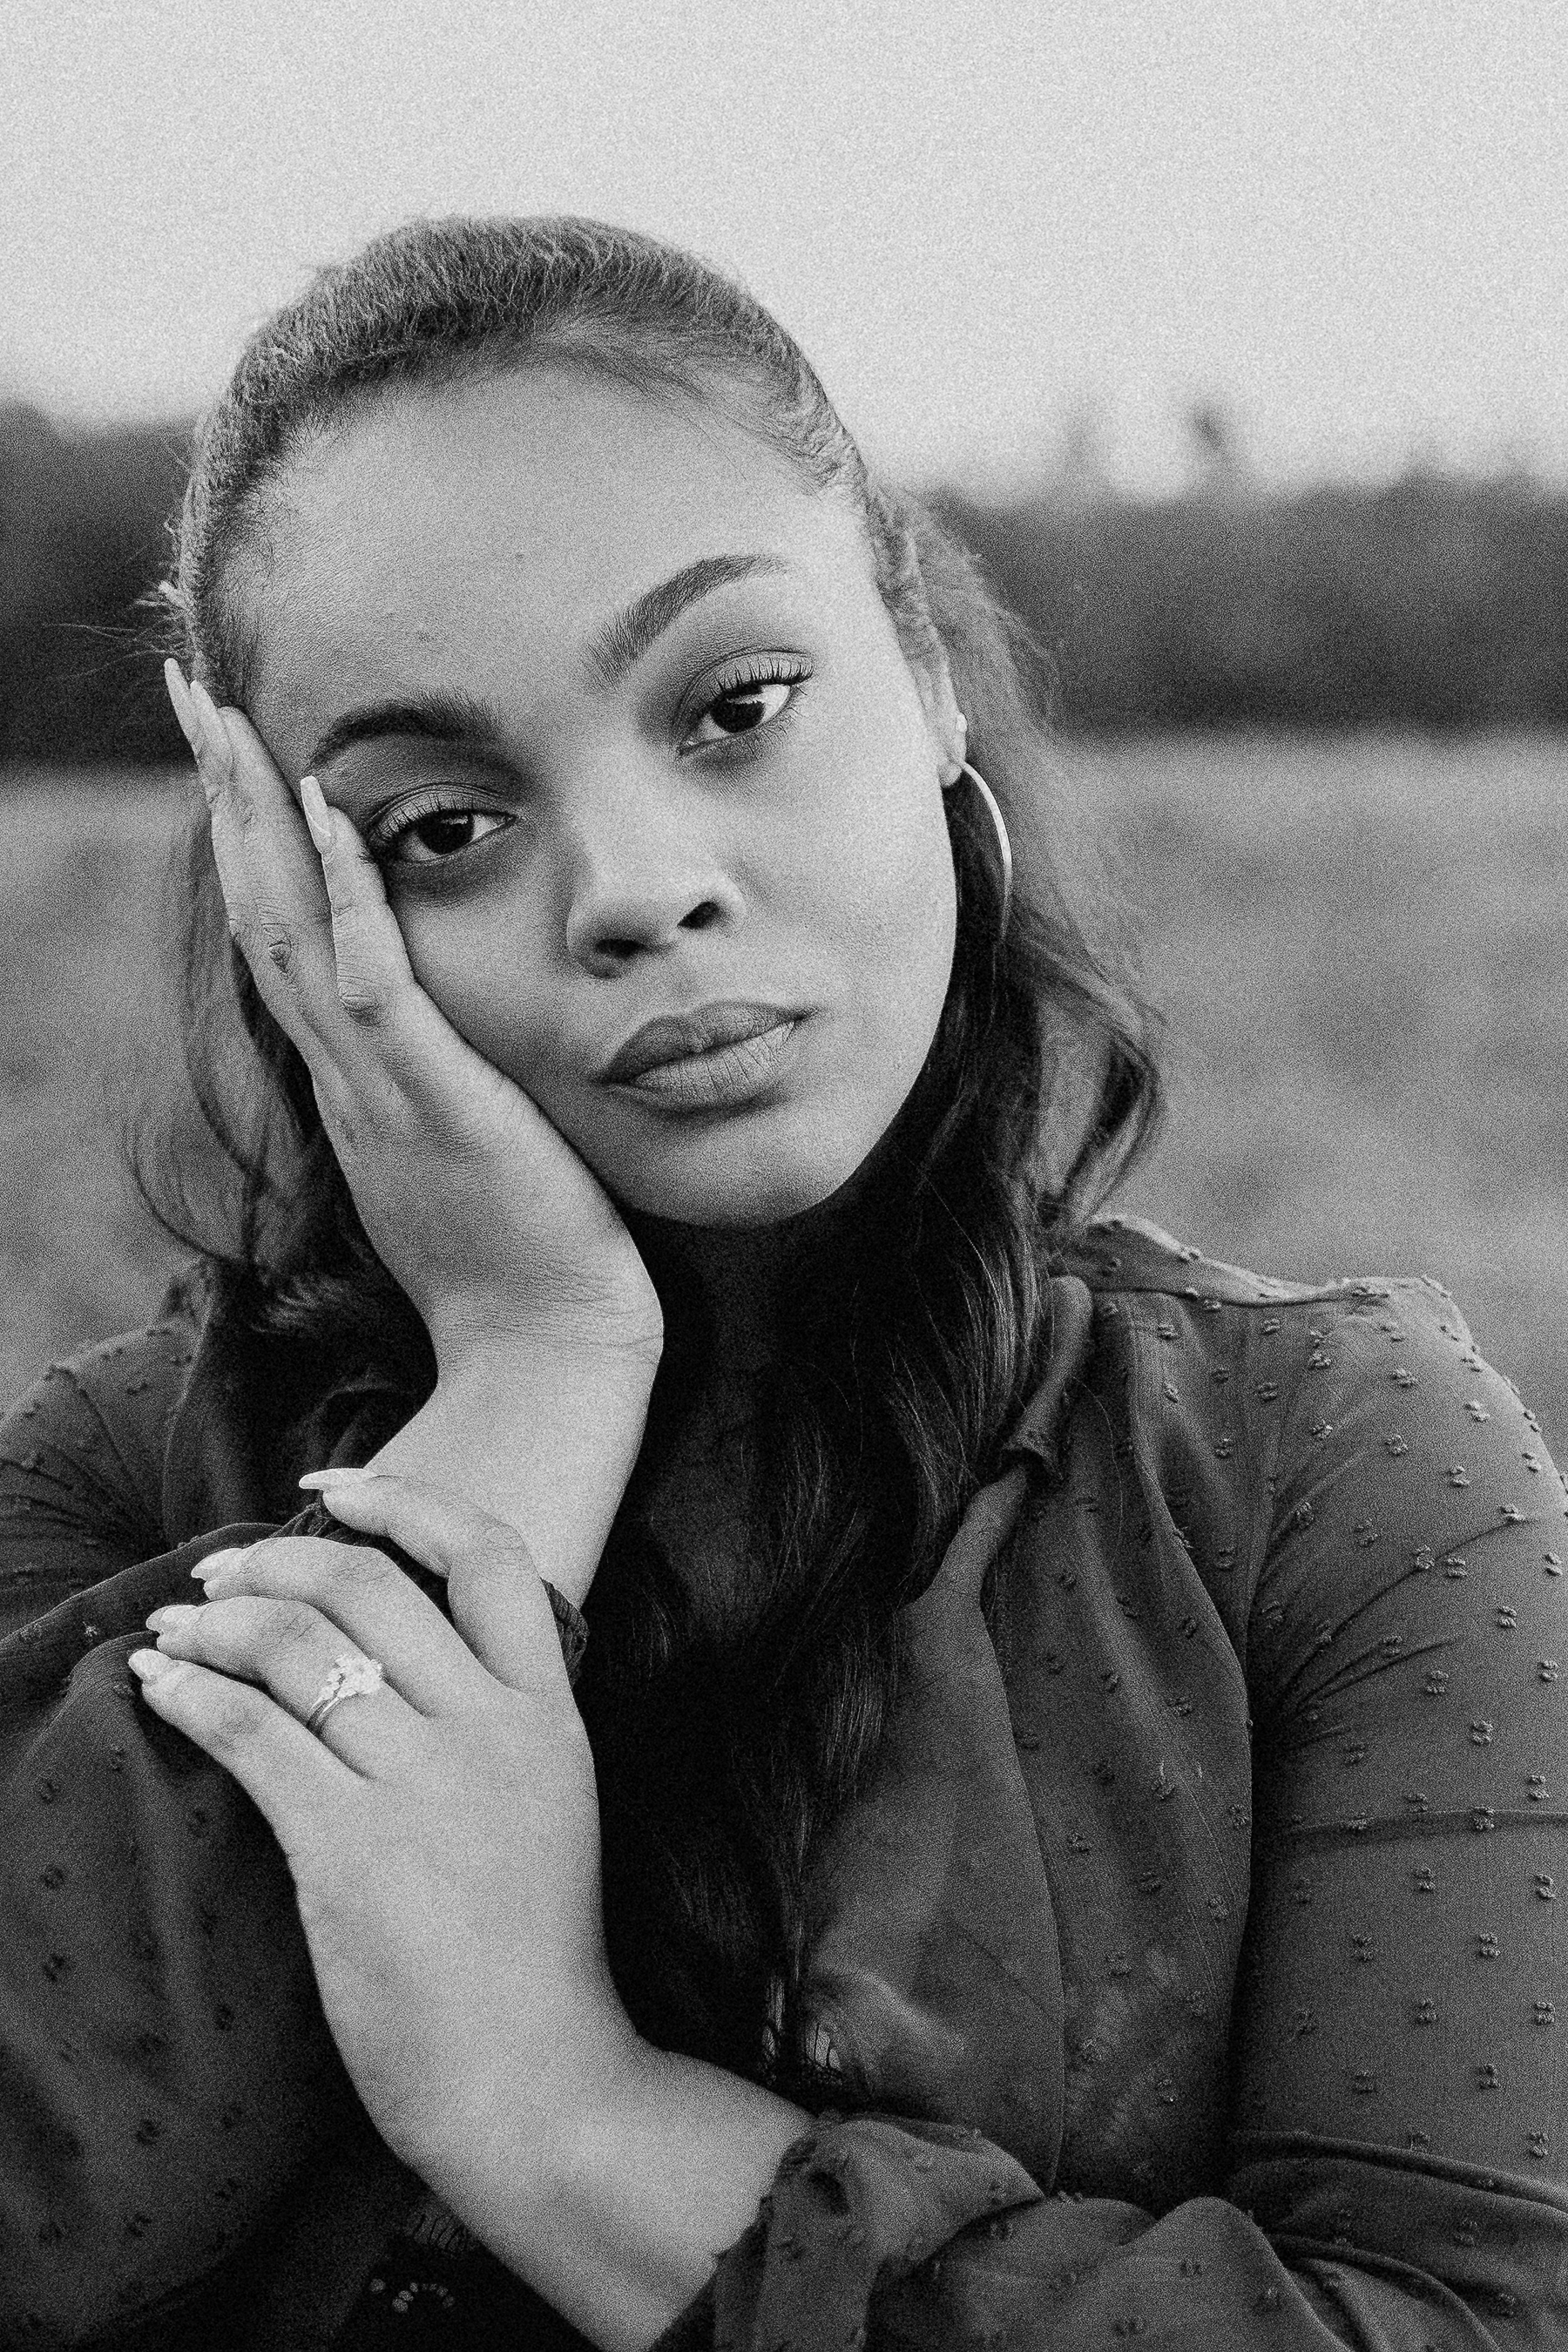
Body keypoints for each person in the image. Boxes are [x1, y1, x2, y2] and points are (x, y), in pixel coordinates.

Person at [1, 214, 1564, 2352]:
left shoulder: (1336, 1479)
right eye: (443, 828)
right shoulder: (124, 1490)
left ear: (919, 668)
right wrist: (537, 1375)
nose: (641, 889)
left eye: (733, 706)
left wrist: (560, 2113)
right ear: (285, 888)